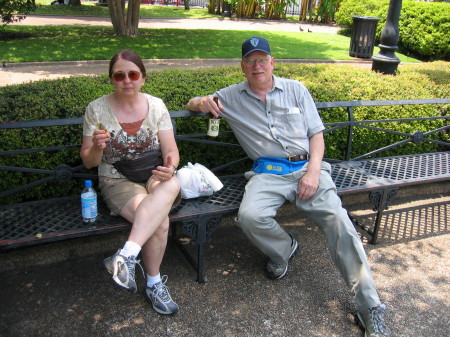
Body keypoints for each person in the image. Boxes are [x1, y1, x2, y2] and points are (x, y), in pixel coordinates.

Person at [186, 37, 391, 336]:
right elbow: (192, 104)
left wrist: (313, 172)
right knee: (250, 216)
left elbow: (316, 135)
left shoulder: (296, 89)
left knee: (341, 225)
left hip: (309, 169)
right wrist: (202, 102)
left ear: (272, 63)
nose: (257, 66)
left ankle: (370, 306)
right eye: (250, 61)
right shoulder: (229, 97)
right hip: (268, 174)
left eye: (262, 59)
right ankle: (284, 249)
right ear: (242, 67)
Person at [80, 49, 180, 316]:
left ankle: (124, 256)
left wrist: (170, 169)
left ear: (143, 78)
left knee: (173, 184)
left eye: (133, 74)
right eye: (119, 75)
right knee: (161, 220)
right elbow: (89, 161)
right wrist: (98, 148)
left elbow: (171, 151)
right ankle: (154, 283)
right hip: (117, 178)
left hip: (154, 174)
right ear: (112, 79)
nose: (127, 80)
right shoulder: (96, 109)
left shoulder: (156, 105)